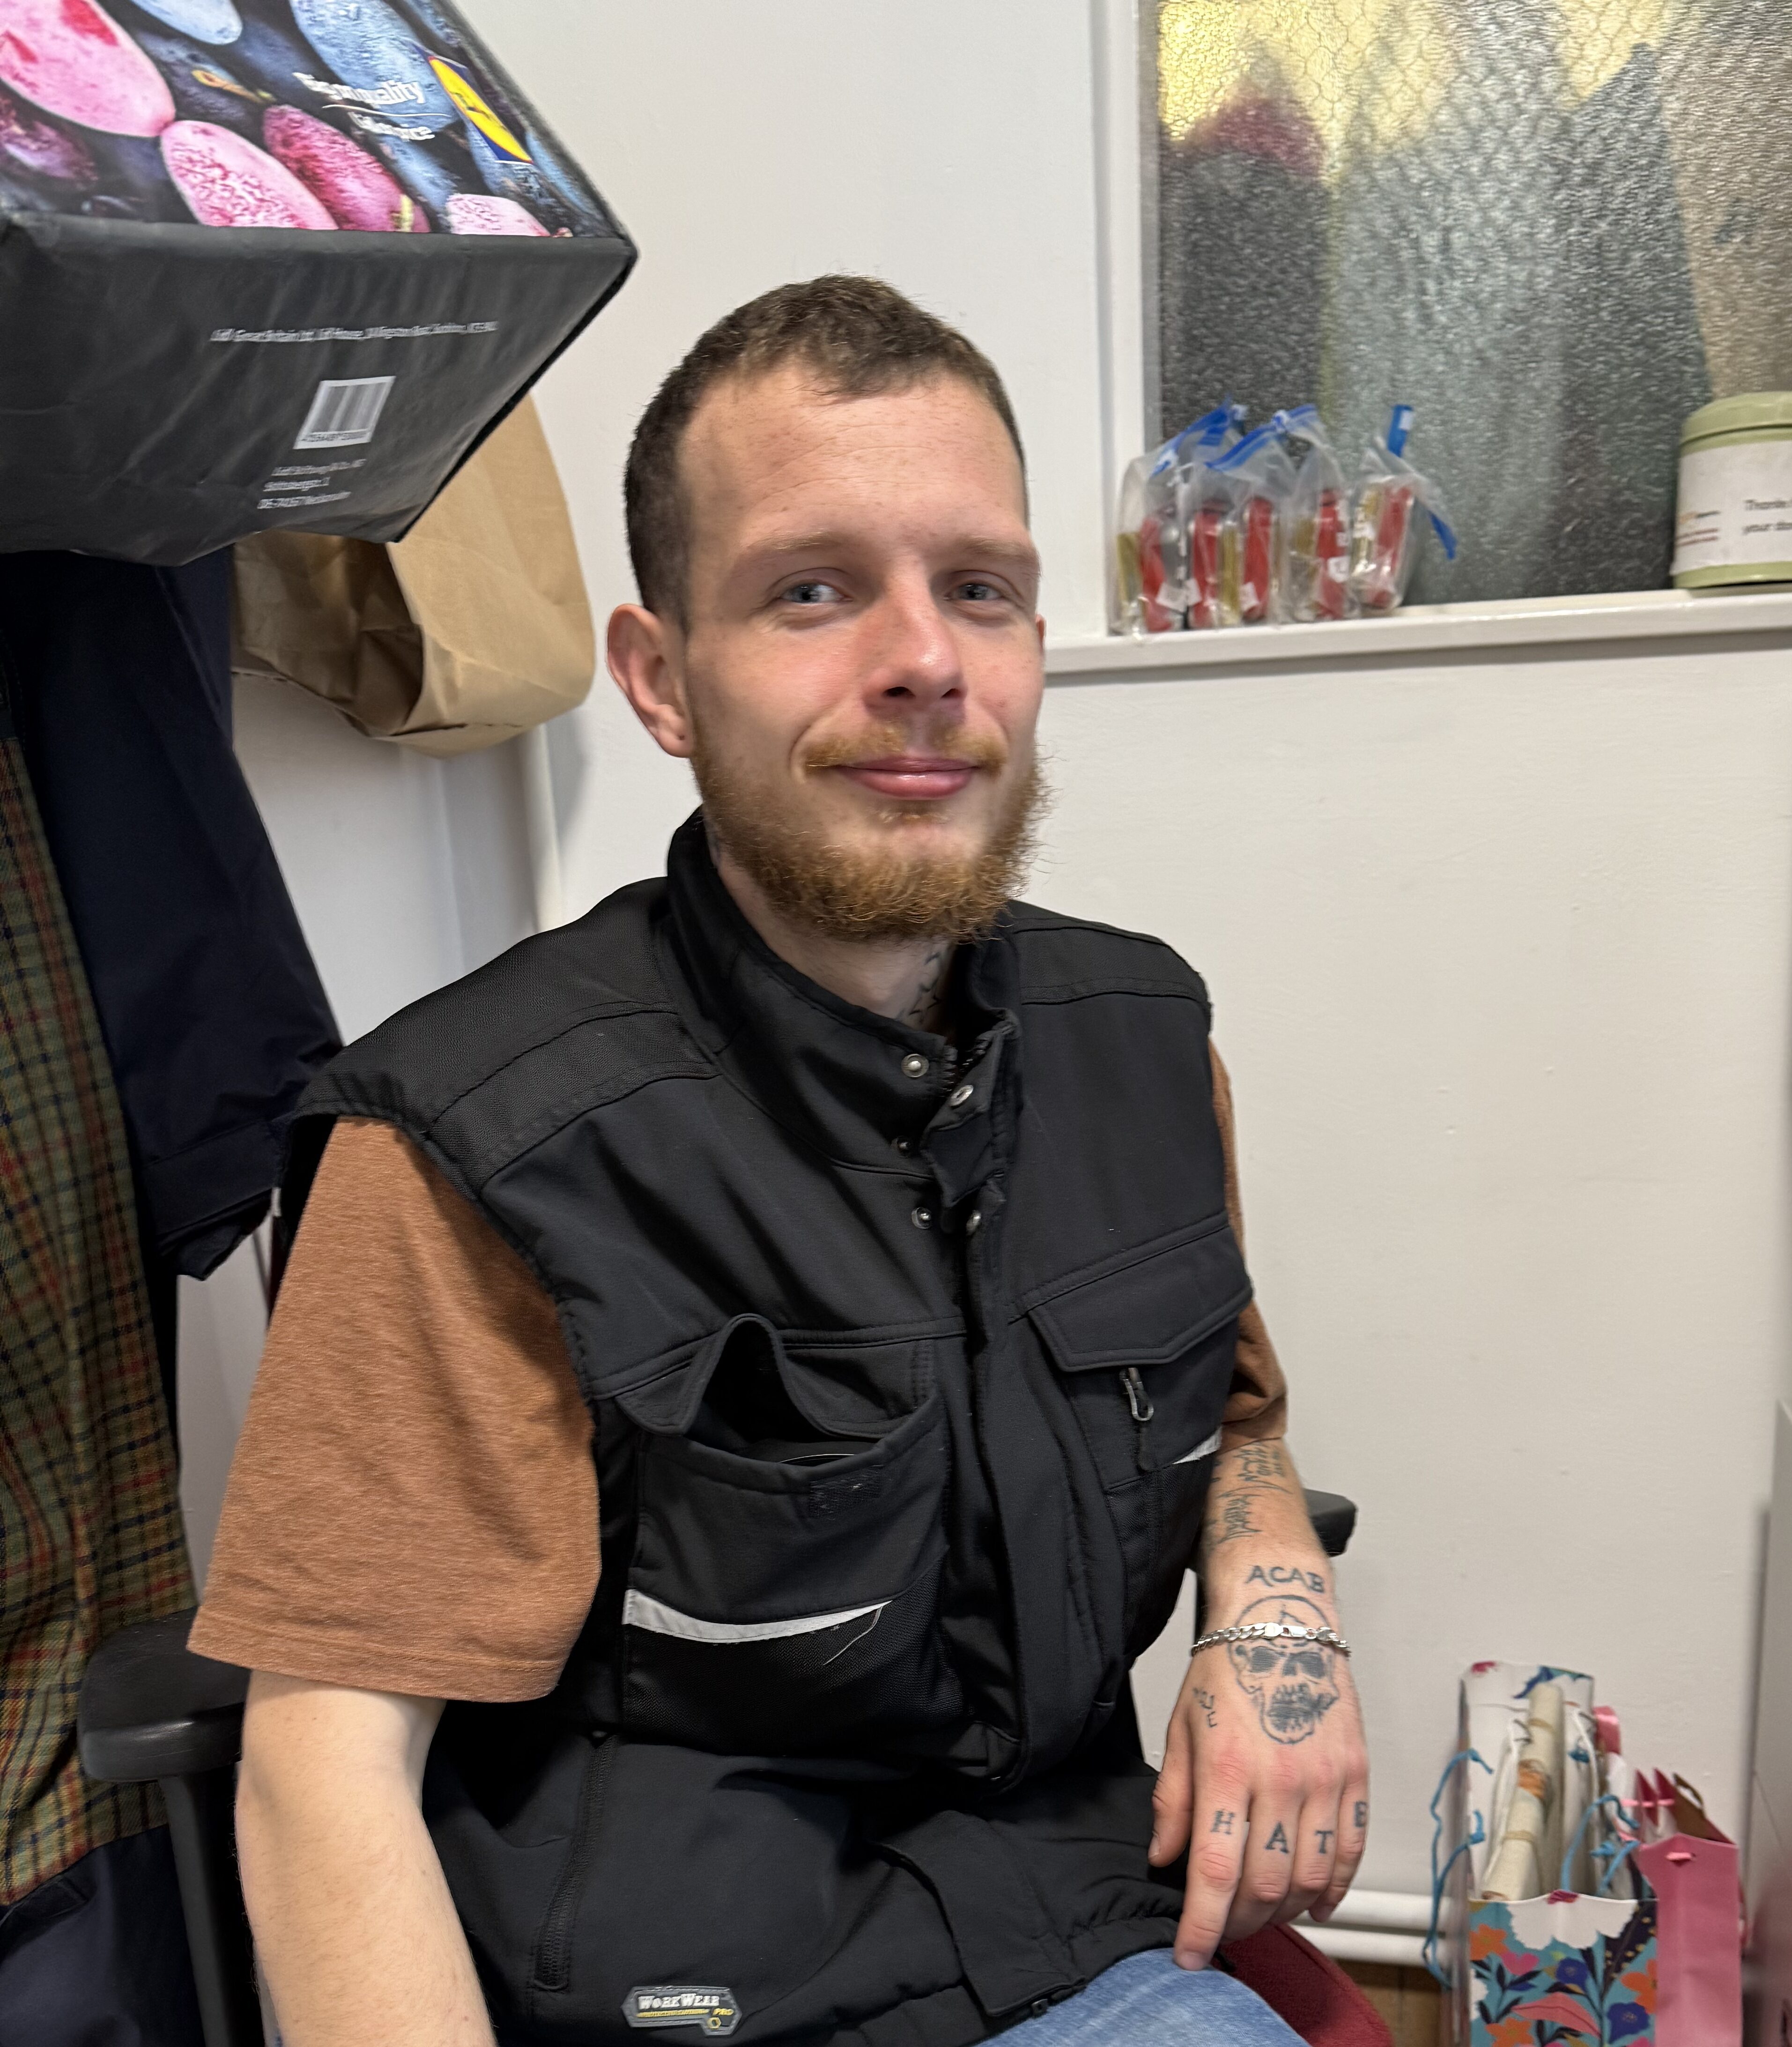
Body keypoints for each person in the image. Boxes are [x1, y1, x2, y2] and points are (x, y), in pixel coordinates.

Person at [190, 276, 1370, 2047]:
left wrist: (1275, 1624)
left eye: (979, 587)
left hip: (1086, 1930)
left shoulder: (1144, 1041)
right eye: (810, 591)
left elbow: (1240, 1423)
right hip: (702, 1996)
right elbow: (324, 1759)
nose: (923, 659)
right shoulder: (472, 1148)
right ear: (661, 680)